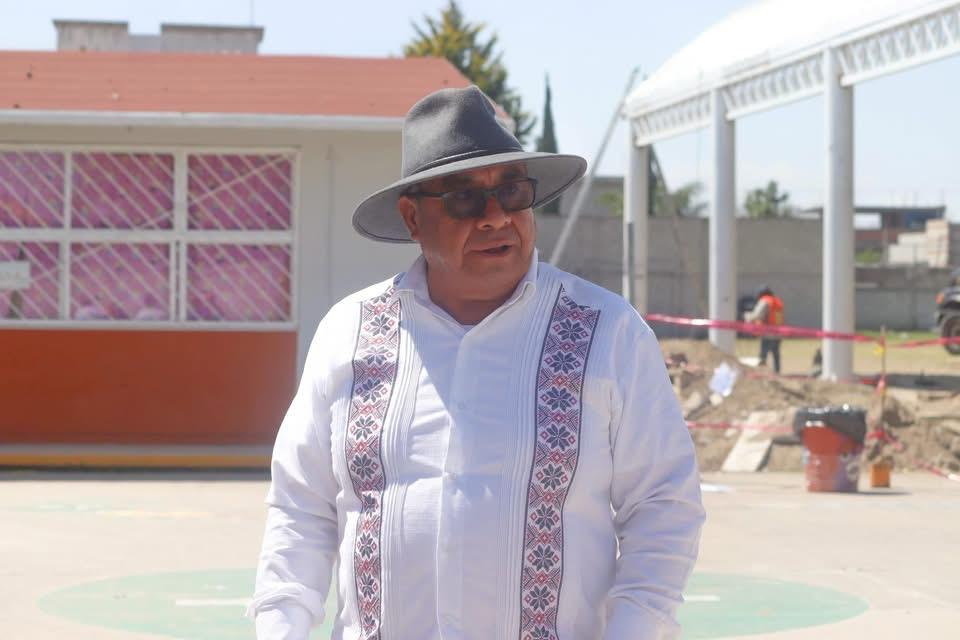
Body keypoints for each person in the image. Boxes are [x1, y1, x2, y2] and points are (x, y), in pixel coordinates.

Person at [247, 86, 705, 640]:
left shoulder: (608, 332)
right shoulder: (348, 333)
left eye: (511, 192)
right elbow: (301, 508)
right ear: (413, 218)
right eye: (464, 198)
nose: (495, 217)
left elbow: (663, 506)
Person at [745, 285, 784, 373]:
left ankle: (761, 373)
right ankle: (777, 372)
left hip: (767, 333)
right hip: (778, 333)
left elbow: (757, 315)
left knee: (763, 356)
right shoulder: (777, 301)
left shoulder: (765, 301)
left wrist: (746, 316)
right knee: (776, 355)